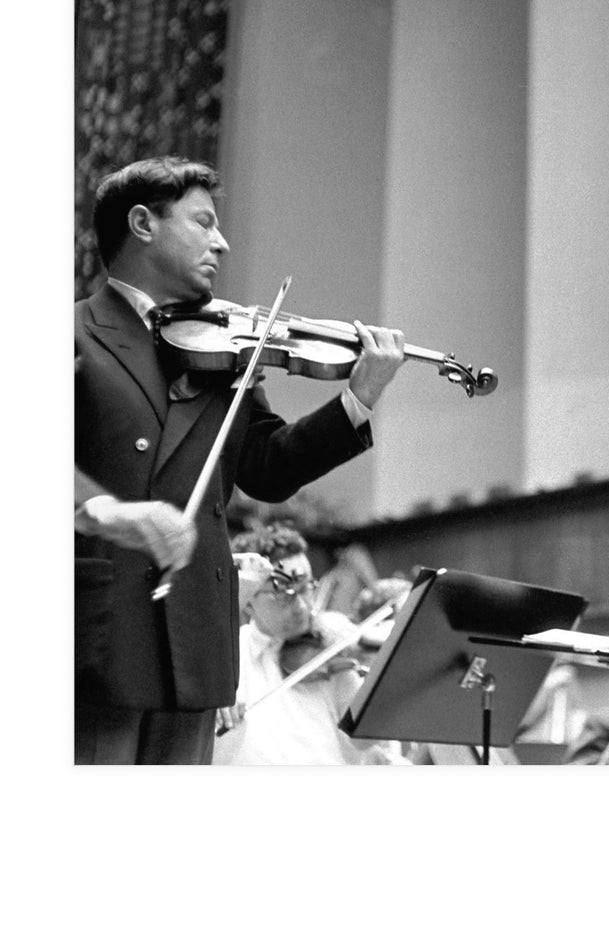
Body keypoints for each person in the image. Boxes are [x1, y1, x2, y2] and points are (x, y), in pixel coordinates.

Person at [75, 156, 409, 764]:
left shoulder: (226, 349)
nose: (222, 242)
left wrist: (358, 398)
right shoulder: (75, 336)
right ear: (144, 223)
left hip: (195, 641)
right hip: (97, 635)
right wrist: (103, 509)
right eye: (203, 223)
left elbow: (266, 468)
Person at [211, 524, 408, 765]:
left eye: (306, 588)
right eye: (283, 594)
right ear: (249, 601)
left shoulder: (333, 655)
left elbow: (363, 740)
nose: (303, 607)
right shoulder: (227, 658)